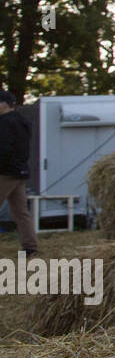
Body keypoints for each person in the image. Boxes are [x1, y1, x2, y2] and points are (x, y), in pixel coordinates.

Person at [0, 91, 37, 258]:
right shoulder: (22, 121)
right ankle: (30, 247)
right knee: (20, 212)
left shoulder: (5, 123)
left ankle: (30, 246)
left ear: (5, 104)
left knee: (20, 212)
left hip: (5, 172)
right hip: (19, 171)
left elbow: (3, 149)